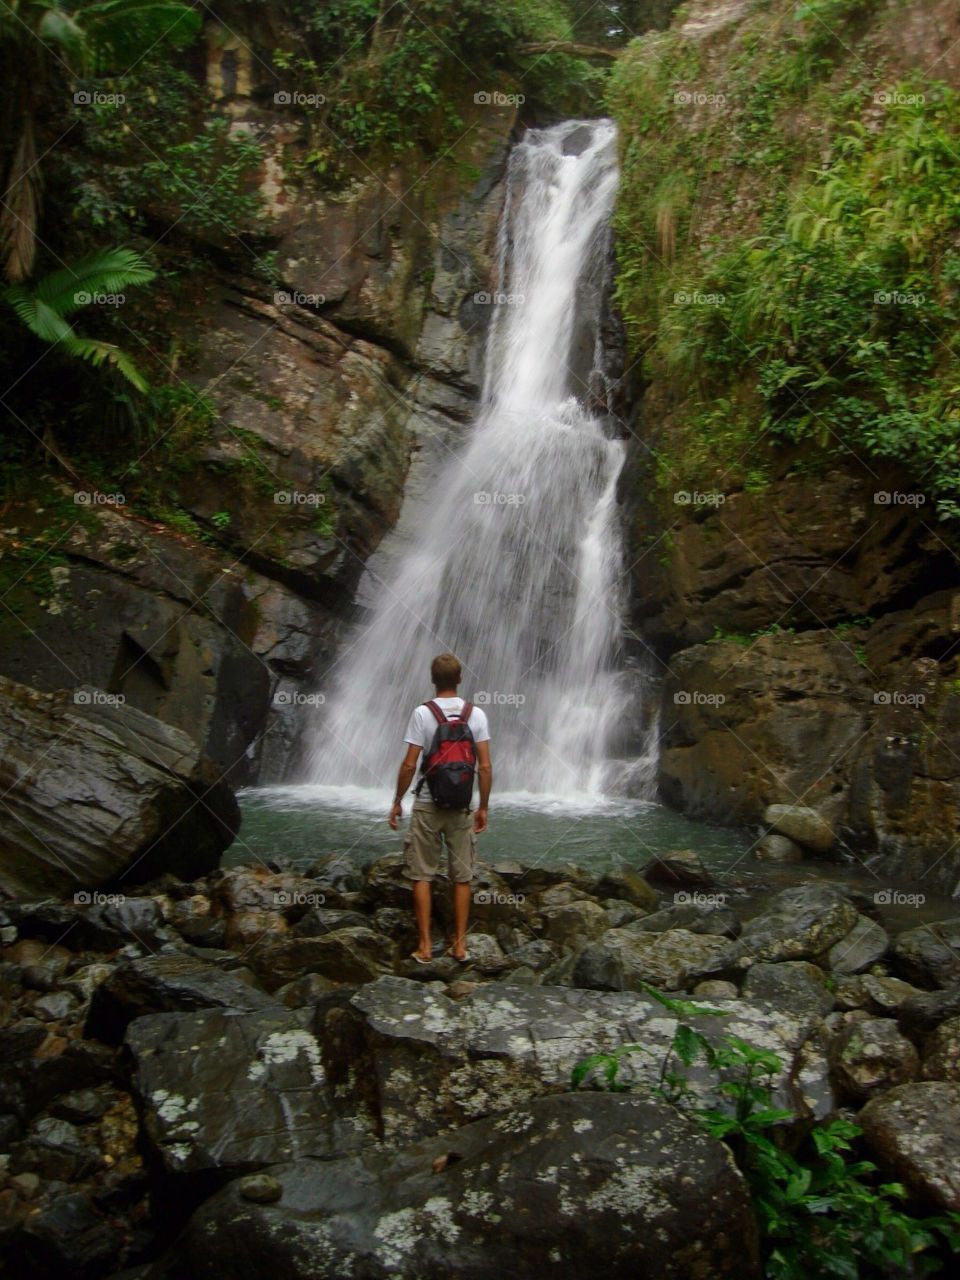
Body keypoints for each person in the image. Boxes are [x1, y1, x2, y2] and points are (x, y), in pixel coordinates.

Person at [388, 652, 492, 964]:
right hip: (462, 805)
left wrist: (396, 801)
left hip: (427, 803)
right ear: (460, 680)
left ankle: (425, 946)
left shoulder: (423, 713)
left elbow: (409, 764)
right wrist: (483, 806)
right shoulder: (477, 715)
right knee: (462, 876)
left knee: (422, 874)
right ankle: (459, 945)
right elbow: (485, 767)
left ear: (433, 680)